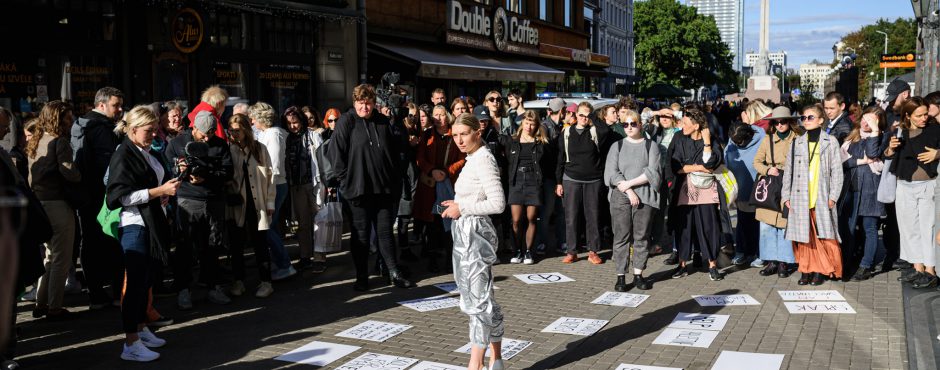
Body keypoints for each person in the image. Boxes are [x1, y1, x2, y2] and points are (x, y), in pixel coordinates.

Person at [106, 105, 179, 362]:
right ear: (133, 129)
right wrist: (159, 192)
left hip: (149, 222)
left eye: (155, 130)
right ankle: (130, 342)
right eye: (148, 131)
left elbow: (150, 186)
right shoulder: (124, 154)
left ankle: (139, 329)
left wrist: (163, 195)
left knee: (145, 281)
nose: (153, 135)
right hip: (134, 224)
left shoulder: (143, 151)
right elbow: (120, 197)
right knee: (135, 284)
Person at [326, 84, 415, 291]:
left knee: (385, 233)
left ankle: (393, 272)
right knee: (361, 235)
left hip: (383, 189)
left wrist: (394, 180)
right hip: (357, 190)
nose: (364, 107)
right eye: (360, 103)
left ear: (374, 103)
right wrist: (346, 181)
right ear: (354, 102)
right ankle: (362, 276)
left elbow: (396, 152)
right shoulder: (346, 121)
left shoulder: (383, 122)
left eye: (368, 103)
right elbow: (335, 154)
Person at [441, 113, 506, 370]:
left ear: (477, 133)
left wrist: (463, 207)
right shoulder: (473, 158)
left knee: (477, 303)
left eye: (464, 134)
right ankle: (496, 359)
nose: (459, 140)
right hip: (466, 234)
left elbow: (498, 203)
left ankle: (475, 365)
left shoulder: (483, 159)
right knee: (483, 299)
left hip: (475, 236)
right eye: (455, 136)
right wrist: (457, 205)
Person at [164, 111, 234, 308]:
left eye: (210, 134)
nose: (206, 138)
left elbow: (228, 172)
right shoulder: (177, 143)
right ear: (193, 127)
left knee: (212, 245)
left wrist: (208, 176)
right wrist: (180, 170)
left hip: (213, 199)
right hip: (187, 199)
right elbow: (166, 168)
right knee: (185, 246)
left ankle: (213, 286)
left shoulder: (219, 144)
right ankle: (184, 290)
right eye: (203, 134)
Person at [71, 86, 125, 310]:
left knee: (91, 243)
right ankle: (113, 292)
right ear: (101, 105)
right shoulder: (101, 128)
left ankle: (96, 292)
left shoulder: (80, 125)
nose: (120, 109)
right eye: (116, 105)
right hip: (101, 195)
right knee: (109, 241)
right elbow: (109, 165)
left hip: (87, 195)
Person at [27, 101, 80, 319]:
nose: (71, 120)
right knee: (62, 258)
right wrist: (80, 174)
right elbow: (69, 173)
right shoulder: (60, 142)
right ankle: (54, 307)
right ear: (58, 118)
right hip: (58, 204)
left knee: (49, 256)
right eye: (68, 116)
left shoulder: (37, 139)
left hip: (39, 203)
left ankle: (41, 303)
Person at [782, 104, 845, 286]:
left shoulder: (830, 141)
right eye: (804, 118)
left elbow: (837, 172)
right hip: (799, 195)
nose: (806, 121)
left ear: (820, 120)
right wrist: (786, 195)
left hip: (821, 195)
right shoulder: (796, 142)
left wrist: (833, 196)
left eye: (810, 117)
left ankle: (819, 270)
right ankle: (805, 269)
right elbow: (789, 171)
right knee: (803, 236)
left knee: (822, 235)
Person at [604, 109, 661, 291]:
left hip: (644, 195)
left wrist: (630, 184)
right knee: (621, 236)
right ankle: (621, 275)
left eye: (633, 124)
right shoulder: (617, 146)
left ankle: (638, 274)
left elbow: (653, 172)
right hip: (621, 195)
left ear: (640, 125)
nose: (629, 127)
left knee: (641, 236)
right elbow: (611, 174)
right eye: (625, 124)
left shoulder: (650, 146)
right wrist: (629, 191)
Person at [668, 108, 727, 281]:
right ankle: (682, 264)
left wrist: (707, 142)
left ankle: (712, 265)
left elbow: (711, 163)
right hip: (685, 190)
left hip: (707, 190)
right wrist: (699, 167)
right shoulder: (679, 138)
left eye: (685, 123)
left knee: (709, 226)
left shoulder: (711, 139)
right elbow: (676, 166)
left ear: (696, 126)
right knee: (684, 227)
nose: (681, 126)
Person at [887, 98, 940, 289]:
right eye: (919, 115)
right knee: (909, 229)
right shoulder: (901, 131)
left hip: (928, 184)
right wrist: (891, 148)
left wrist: (937, 153)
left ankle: (930, 270)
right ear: (908, 116)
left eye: (926, 113)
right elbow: (888, 155)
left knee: (927, 228)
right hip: (904, 184)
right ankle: (917, 267)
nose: (924, 118)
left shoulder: (935, 129)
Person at [225, 114, 276, 298]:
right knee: (236, 245)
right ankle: (238, 281)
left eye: (237, 130)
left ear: (246, 130)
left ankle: (266, 281)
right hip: (238, 206)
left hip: (258, 204)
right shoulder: (229, 150)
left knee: (260, 243)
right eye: (231, 130)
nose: (233, 134)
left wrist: (270, 202)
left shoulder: (259, 149)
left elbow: (270, 177)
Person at [556, 102, 612, 265]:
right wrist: (559, 181)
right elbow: (560, 158)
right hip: (570, 179)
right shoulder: (566, 132)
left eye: (587, 116)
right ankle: (571, 251)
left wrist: (592, 116)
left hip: (593, 180)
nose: (583, 118)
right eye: (581, 115)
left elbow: (606, 130)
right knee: (571, 217)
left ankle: (593, 251)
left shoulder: (595, 131)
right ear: (575, 115)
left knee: (593, 216)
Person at [249, 102, 297, 281]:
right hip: (271, 184)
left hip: (274, 185)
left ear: (260, 118)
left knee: (266, 226)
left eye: (253, 117)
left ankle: (285, 265)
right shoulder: (268, 134)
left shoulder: (274, 134)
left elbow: (274, 166)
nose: (252, 121)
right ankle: (279, 263)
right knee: (272, 226)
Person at [414, 105, 465, 272]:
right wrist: (432, 171)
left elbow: (462, 158)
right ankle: (433, 260)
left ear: (447, 116)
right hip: (431, 186)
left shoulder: (455, 134)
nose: (438, 118)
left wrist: (447, 172)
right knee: (433, 223)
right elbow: (420, 158)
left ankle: (451, 259)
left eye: (441, 115)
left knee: (450, 222)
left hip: (450, 184)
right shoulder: (427, 135)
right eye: (435, 115)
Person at [753, 107, 802, 278]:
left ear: (790, 122)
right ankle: (770, 261)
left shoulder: (798, 139)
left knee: (784, 226)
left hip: (789, 185)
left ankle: (784, 262)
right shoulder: (767, 139)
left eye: (784, 121)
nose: (780, 125)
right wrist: (767, 170)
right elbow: (757, 162)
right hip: (770, 185)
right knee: (766, 226)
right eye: (776, 122)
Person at [841, 107, 887, 281]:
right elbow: (842, 162)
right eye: (864, 119)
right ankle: (846, 261)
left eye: (872, 120)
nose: (866, 123)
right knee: (849, 228)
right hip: (852, 189)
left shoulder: (882, 137)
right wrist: (862, 161)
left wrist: (875, 131)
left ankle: (866, 265)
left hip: (871, 190)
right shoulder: (851, 138)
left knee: (870, 228)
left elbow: (873, 153)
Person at [506, 111, 552, 265]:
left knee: (532, 218)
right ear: (522, 123)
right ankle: (517, 250)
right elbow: (508, 161)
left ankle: (528, 252)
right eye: (526, 122)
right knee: (516, 219)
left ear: (537, 125)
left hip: (534, 181)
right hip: (516, 181)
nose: (529, 126)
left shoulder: (541, 143)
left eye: (532, 123)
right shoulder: (513, 141)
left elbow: (547, 164)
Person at [284, 106, 323, 271]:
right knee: (303, 224)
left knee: (319, 222)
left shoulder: (313, 135)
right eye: (289, 123)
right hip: (297, 186)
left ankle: (320, 258)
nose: (293, 126)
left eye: (296, 122)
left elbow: (322, 161)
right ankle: (305, 256)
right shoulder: (287, 139)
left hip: (314, 184)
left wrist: (326, 185)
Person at [725, 121, 765, 266]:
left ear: (748, 136)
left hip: (758, 191)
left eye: (740, 142)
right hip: (739, 191)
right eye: (735, 142)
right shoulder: (732, 140)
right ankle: (742, 252)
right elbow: (727, 160)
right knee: (742, 223)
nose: (737, 144)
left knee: (758, 225)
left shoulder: (762, 138)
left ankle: (759, 253)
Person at [880, 79, 911, 271]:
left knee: (908, 220)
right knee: (891, 219)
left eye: (895, 98)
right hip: (892, 172)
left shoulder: (917, 113)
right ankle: (893, 254)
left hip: (909, 174)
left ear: (905, 94)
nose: (892, 103)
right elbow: (883, 146)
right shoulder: (889, 114)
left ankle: (908, 257)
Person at [535, 98, 566, 255]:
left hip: (558, 175)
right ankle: (542, 242)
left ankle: (561, 242)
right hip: (549, 176)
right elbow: (546, 156)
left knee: (561, 211)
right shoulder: (545, 127)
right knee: (547, 211)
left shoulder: (560, 127)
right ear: (561, 111)